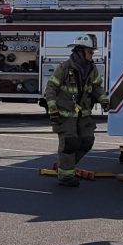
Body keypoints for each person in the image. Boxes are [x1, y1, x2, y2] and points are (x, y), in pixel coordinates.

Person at [44, 34, 108, 187]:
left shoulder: (91, 69)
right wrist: (52, 110)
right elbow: (51, 89)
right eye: (90, 52)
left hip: (83, 115)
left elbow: (97, 88)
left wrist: (104, 100)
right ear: (80, 51)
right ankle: (65, 177)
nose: (92, 55)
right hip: (65, 116)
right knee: (69, 144)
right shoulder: (64, 68)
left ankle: (64, 165)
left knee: (87, 141)